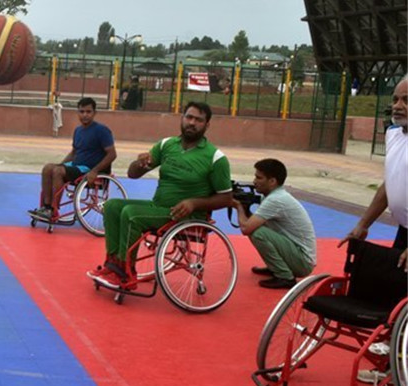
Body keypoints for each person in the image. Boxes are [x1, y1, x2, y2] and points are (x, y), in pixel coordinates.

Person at [88, 101, 233, 284]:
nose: (192, 123)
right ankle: (113, 264)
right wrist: (139, 164)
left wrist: (194, 203)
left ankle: (125, 272)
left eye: (198, 120)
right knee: (112, 206)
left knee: (131, 214)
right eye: (189, 117)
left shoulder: (215, 158)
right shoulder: (167, 145)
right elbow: (133, 174)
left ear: (207, 125)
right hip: (159, 207)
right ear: (182, 118)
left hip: (185, 215)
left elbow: (226, 198)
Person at [341, 75, 408, 270]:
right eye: (395, 99)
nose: (397, 106)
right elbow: (390, 185)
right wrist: (363, 224)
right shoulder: (393, 135)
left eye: (406, 100)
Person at [232, 159, 317, 289]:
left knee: (258, 233)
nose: (254, 181)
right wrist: (244, 207)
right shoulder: (273, 196)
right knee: (257, 228)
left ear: (272, 181)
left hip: (303, 263)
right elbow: (251, 222)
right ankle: (276, 267)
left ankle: (285, 277)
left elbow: (246, 228)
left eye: (259, 178)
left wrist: (238, 206)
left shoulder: (275, 200)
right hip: (298, 255)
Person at [29, 97, 116, 222]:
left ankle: (53, 210)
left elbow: (112, 154)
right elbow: (74, 152)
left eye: (88, 112)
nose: (85, 115)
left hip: (88, 169)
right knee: (48, 168)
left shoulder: (102, 131)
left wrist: (95, 171)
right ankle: (46, 207)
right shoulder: (78, 131)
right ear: (78, 113)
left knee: (58, 171)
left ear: (94, 113)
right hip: (76, 166)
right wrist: (60, 164)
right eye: (82, 111)